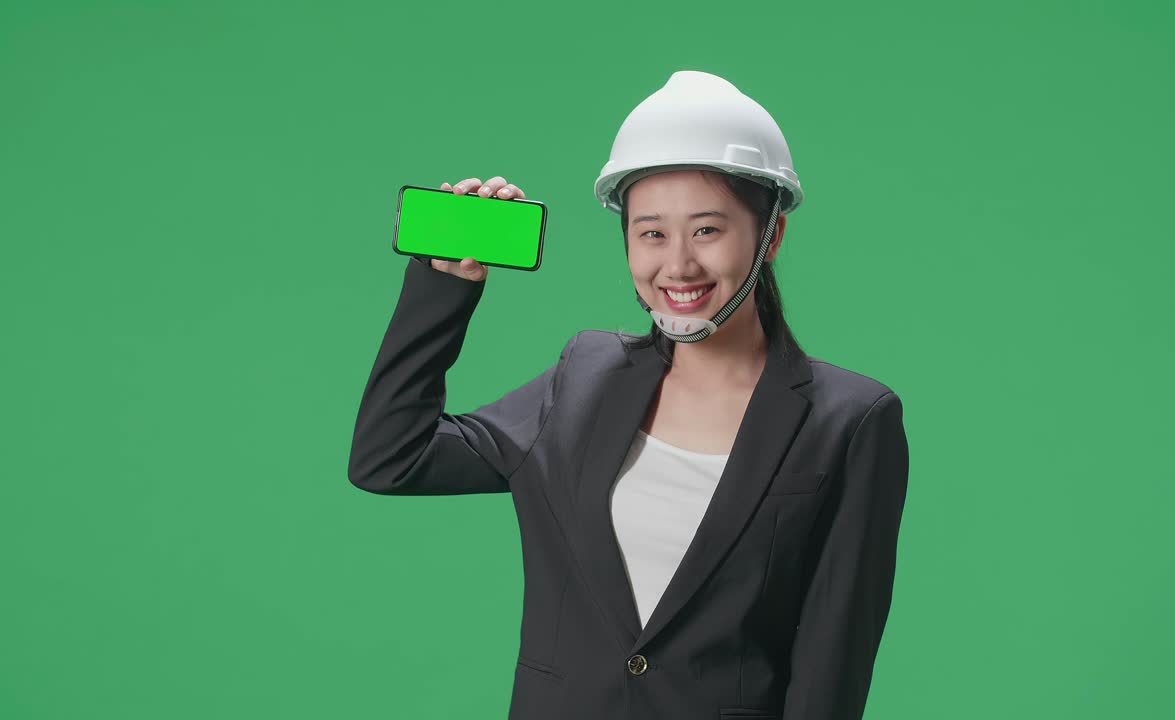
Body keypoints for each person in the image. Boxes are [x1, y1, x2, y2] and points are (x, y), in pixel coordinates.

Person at [348, 70, 910, 720]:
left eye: (707, 230)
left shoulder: (851, 420)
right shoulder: (583, 378)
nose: (678, 265)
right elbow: (392, 458)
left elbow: (831, 666)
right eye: (651, 233)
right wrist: (444, 284)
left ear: (771, 236)